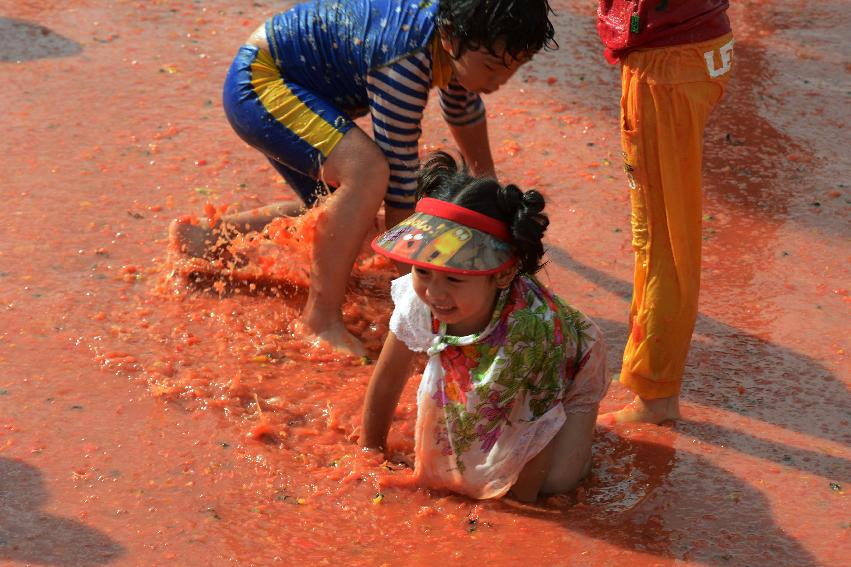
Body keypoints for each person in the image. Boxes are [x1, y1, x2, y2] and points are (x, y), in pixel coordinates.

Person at [169, 0, 556, 357]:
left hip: (289, 85)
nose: (503, 77)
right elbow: (399, 183)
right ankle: (319, 319)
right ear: (454, 39)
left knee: (341, 213)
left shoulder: (453, 36)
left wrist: (491, 209)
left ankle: (211, 237)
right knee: (369, 173)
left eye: (515, 66)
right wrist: (426, 293)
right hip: (259, 83)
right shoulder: (404, 62)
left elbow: (463, 113)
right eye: (492, 66)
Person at [359, 152, 610, 501]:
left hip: (570, 365)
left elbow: (537, 434)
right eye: (423, 271)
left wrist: (520, 513)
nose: (435, 292)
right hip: (489, 343)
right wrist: (370, 452)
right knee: (459, 445)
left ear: (504, 273)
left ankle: (581, 432)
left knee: (558, 483)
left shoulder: (533, 332)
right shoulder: (422, 300)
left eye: (454, 278)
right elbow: (388, 377)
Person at [595, 1, 734, 424]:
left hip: (666, 63)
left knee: (662, 238)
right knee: (663, 232)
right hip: (698, 44)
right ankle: (651, 381)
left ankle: (655, 395)